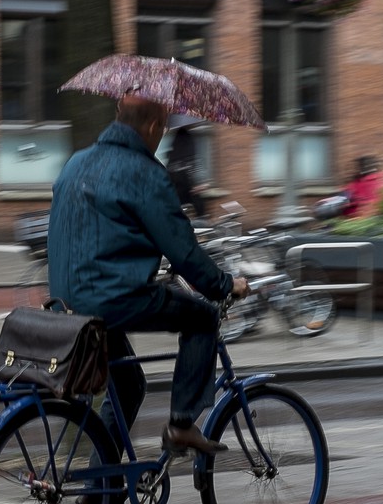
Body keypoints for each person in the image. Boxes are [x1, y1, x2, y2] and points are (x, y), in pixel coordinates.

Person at [48, 94, 249, 459]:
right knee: (202, 318)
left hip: (67, 298)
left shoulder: (75, 162)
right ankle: (182, 424)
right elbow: (184, 250)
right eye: (164, 129)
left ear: (116, 115)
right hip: (112, 298)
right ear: (156, 126)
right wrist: (224, 284)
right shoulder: (145, 173)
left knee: (127, 384)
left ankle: (98, 499)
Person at [164, 122, 207, 219]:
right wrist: (198, 182)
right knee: (199, 211)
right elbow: (192, 160)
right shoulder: (187, 138)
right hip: (186, 181)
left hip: (175, 183)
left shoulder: (176, 139)